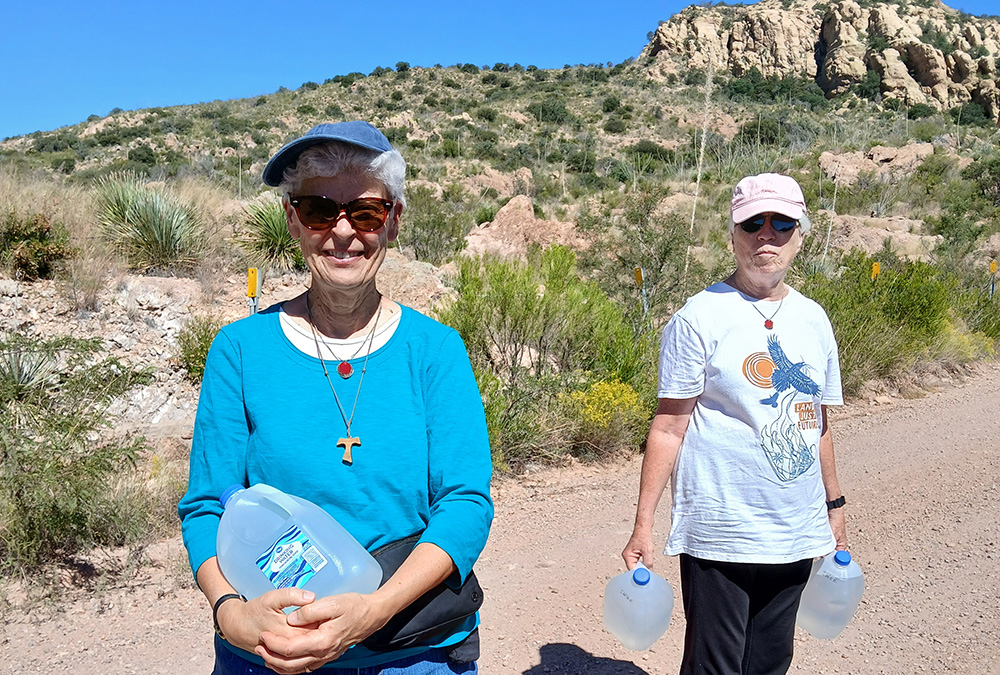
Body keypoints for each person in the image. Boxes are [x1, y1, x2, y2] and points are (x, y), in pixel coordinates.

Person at [178, 121, 493, 674]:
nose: (343, 231)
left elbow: (466, 503)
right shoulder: (240, 351)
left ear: (392, 222)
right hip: (269, 654)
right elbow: (206, 504)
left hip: (410, 651)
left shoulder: (435, 351)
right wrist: (232, 615)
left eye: (366, 212)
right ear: (293, 221)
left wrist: (371, 612)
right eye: (320, 209)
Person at [621, 173, 847, 675]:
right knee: (715, 665)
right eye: (753, 223)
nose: (767, 235)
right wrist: (643, 523)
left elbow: (819, 421)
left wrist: (833, 504)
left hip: (794, 528)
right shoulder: (699, 317)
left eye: (782, 223)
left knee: (771, 660)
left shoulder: (814, 319)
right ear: (733, 235)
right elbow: (667, 427)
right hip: (720, 528)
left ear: (801, 235)